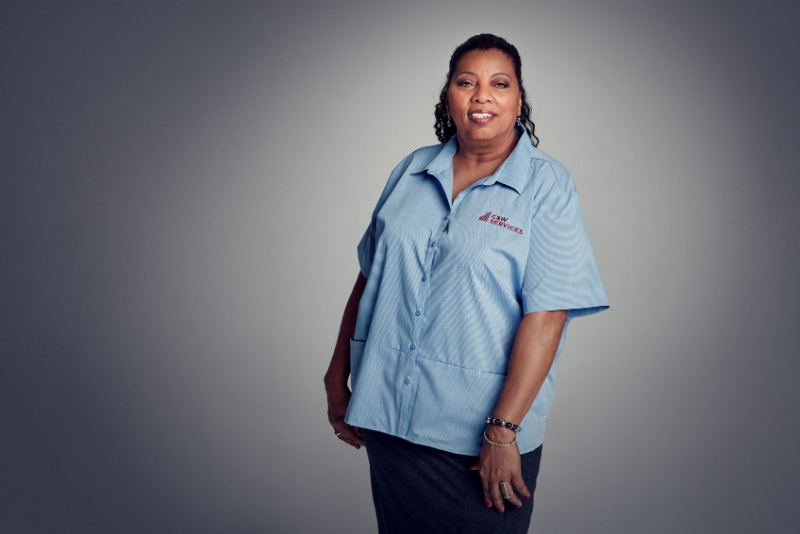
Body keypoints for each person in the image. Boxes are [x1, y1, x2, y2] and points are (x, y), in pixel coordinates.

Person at [324, 34, 609, 534]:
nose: (482, 95)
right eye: (466, 82)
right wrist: (336, 376)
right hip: (388, 419)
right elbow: (370, 277)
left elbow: (549, 314)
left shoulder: (548, 186)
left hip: (479, 441)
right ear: (448, 96)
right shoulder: (410, 170)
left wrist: (502, 433)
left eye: (499, 83)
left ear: (519, 99)